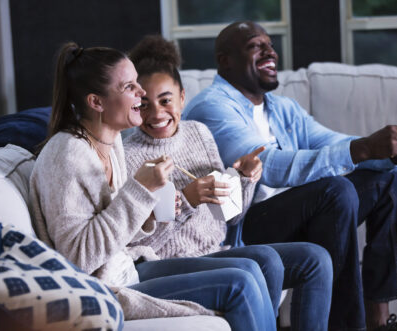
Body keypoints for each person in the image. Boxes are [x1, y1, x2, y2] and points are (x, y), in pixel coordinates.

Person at [182, 21, 397, 331]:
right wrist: (363, 148)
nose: (270, 52)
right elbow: (267, 165)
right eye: (255, 46)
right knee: (335, 191)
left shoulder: (283, 108)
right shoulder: (212, 108)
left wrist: (387, 153)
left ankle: (377, 320)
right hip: (246, 223)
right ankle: (345, 325)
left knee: (387, 179)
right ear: (225, 60)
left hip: (298, 213)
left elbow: (333, 143)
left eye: (270, 45)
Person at [29, 41, 278, 331]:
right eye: (129, 87)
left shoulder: (110, 143)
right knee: (240, 282)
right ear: (96, 102)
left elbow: (122, 232)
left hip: (127, 267)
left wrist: (152, 212)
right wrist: (139, 192)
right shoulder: (68, 154)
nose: (141, 93)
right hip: (101, 289)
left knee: (252, 266)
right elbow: (78, 259)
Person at [124, 35, 333, 331]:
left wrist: (244, 179)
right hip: (167, 261)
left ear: (182, 97)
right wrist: (186, 201)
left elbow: (230, 215)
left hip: (216, 249)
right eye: (145, 104)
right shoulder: (129, 156)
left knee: (316, 258)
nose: (157, 113)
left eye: (166, 100)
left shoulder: (198, 133)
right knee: (266, 260)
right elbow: (137, 244)